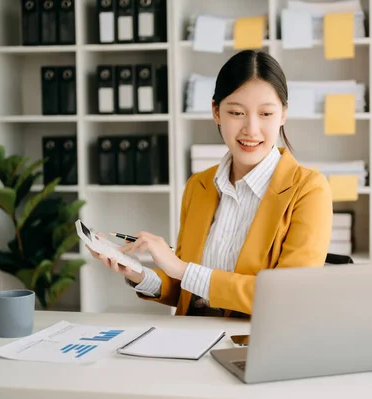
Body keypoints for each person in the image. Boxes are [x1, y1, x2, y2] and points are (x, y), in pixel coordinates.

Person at [88, 50, 333, 318]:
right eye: (237, 112)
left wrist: (180, 269)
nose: (251, 129)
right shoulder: (199, 185)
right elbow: (187, 291)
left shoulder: (309, 190)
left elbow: (288, 298)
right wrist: (137, 273)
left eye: (266, 114)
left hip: (256, 345)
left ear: (283, 114)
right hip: (192, 340)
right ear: (216, 112)